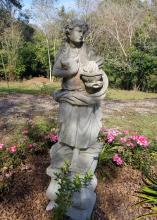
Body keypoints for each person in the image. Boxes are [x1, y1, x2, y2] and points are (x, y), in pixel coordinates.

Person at [46, 19, 108, 217]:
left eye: (83, 32)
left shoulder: (87, 49)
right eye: (78, 31)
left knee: (83, 136)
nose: (81, 35)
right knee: (66, 133)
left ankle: (80, 162)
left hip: (85, 97)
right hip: (68, 98)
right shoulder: (64, 50)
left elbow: (100, 62)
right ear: (69, 33)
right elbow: (56, 71)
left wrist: (92, 65)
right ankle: (62, 177)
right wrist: (70, 71)